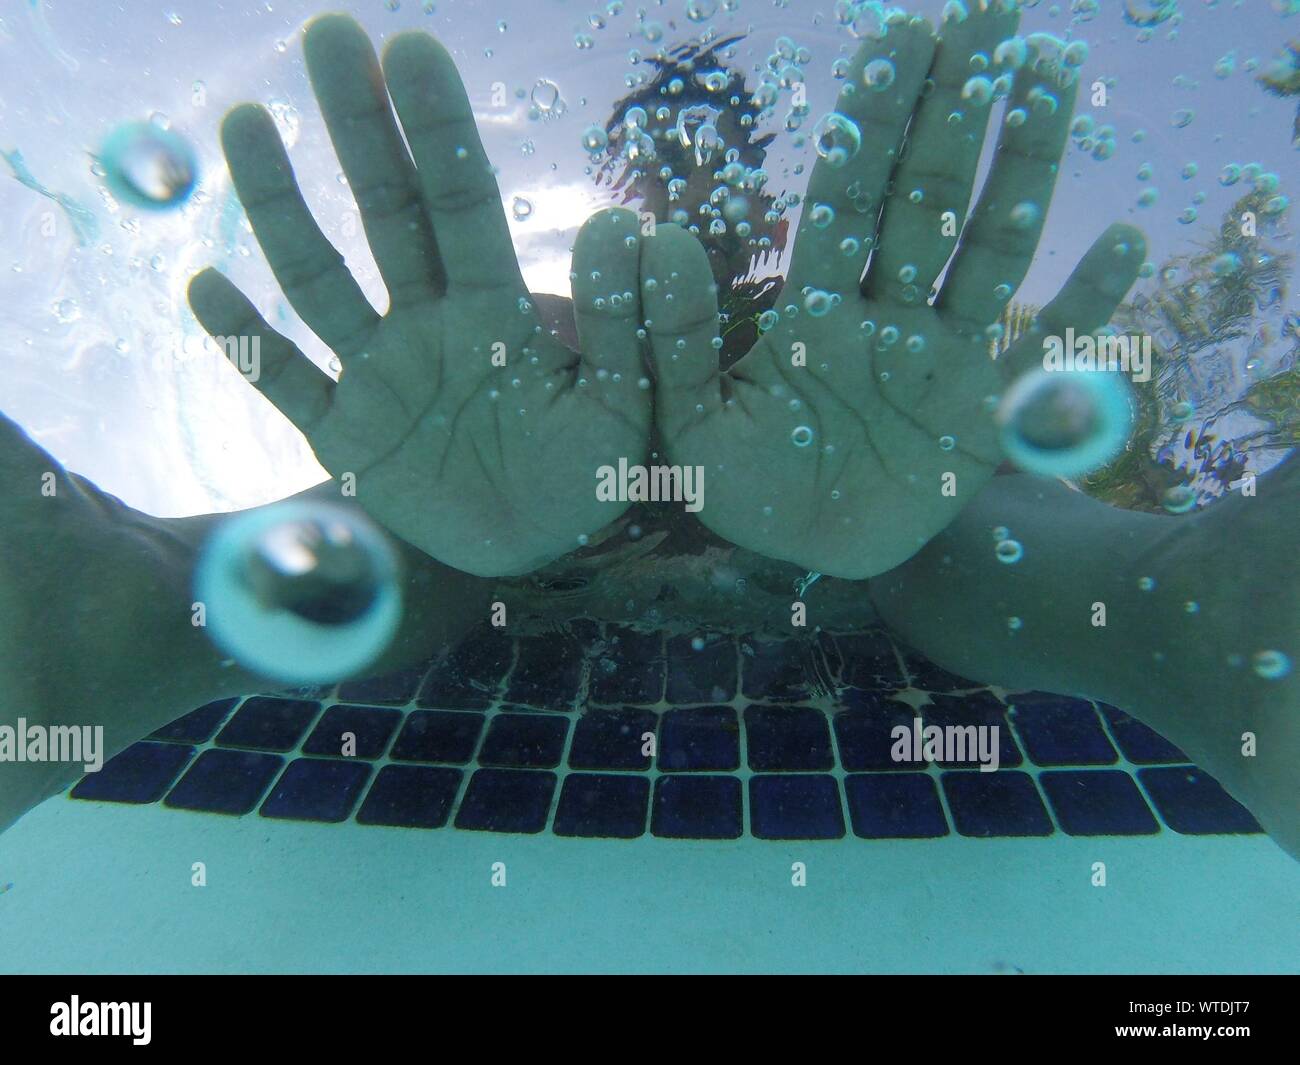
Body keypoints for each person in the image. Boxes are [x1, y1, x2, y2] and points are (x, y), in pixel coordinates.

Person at [0, 8, 1294, 858]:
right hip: (499, 592)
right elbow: (409, 518)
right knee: (449, 523)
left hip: (894, 587)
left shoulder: (840, 336)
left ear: (761, 182)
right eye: (658, 161)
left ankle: (1200, 602)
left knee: (943, 514)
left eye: (717, 151)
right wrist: (496, 531)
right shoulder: (539, 331)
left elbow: (997, 514)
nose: (686, 185)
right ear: (621, 182)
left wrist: (885, 529)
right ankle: (133, 606)